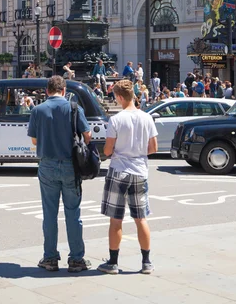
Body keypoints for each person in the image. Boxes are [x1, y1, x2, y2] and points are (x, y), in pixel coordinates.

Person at [27, 75, 92, 273]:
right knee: (73, 213)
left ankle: (50, 258)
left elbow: (35, 142)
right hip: (70, 166)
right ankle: (76, 259)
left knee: (49, 214)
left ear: (47, 91)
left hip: (47, 165)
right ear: (64, 91)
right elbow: (87, 137)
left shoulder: (37, 110)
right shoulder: (74, 108)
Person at [98, 80, 158, 275]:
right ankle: (146, 262)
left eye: (116, 97)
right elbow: (153, 148)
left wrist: (114, 151)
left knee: (116, 220)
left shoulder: (116, 120)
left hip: (118, 170)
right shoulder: (146, 118)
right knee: (141, 218)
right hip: (140, 170)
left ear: (121, 97)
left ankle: (113, 262)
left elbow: (107, 150)